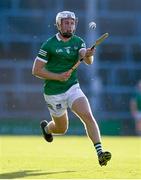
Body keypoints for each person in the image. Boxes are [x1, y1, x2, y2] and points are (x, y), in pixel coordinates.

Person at [32, 11, 111, 166]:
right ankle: (47, 128)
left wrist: (88, 54)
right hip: (54, 92)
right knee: (61, 128)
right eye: (66, 23)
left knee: (87, 115)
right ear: (59, 24)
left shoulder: (78, 41)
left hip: (72, 88)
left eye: (72, 23)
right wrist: (58, 76)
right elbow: (36, 70)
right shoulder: (49, 45)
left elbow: (86, 59)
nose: (69, 26)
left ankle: (100, 153)